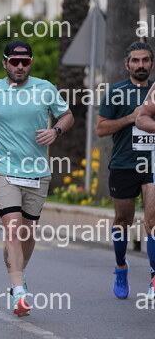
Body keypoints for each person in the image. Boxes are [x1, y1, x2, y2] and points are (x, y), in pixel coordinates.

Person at [0, 40, 73, 317]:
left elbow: (67, 115)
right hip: (3, 169)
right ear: (5, 63)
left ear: (30, 63)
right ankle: (18, 290)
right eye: (14, 62)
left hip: (37, 171)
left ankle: (18, 273)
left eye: (24, 62)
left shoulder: (45, 88)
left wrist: (56, 131)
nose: (19, 66)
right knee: (13, 228)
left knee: (27, 232)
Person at [99, 41, 155, 299]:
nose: (140, 65)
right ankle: (121, 267)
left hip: (152, 166)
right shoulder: (115, 92)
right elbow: (101, 128)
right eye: (135, 60)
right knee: (123, 221)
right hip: (124, 165)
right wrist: (130, 118)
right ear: (127, 64)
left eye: (145, 60)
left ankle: (153, 278)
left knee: (153, 223)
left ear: (151, 63)